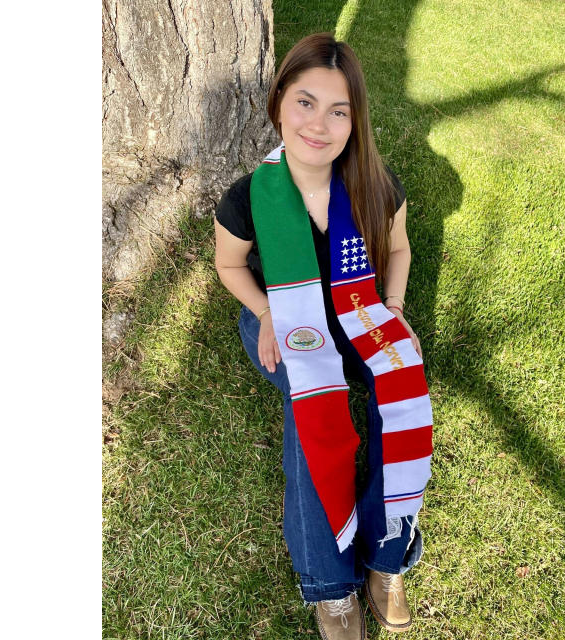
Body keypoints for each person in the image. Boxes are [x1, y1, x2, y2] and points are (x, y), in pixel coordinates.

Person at [214, 32, 432, 640]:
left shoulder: (371, 182)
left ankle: (386, 557)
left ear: (354, 120)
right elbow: (229, 266)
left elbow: (398, 248)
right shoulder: (251, 196)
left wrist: (392, 306)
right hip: (287, 318)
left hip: (358, 308)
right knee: (312, 405)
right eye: (305, 102)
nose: (319, 124)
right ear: (280, 100)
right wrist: (263, 313)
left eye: (339, 111)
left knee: (403, 388)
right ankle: (331, 588)